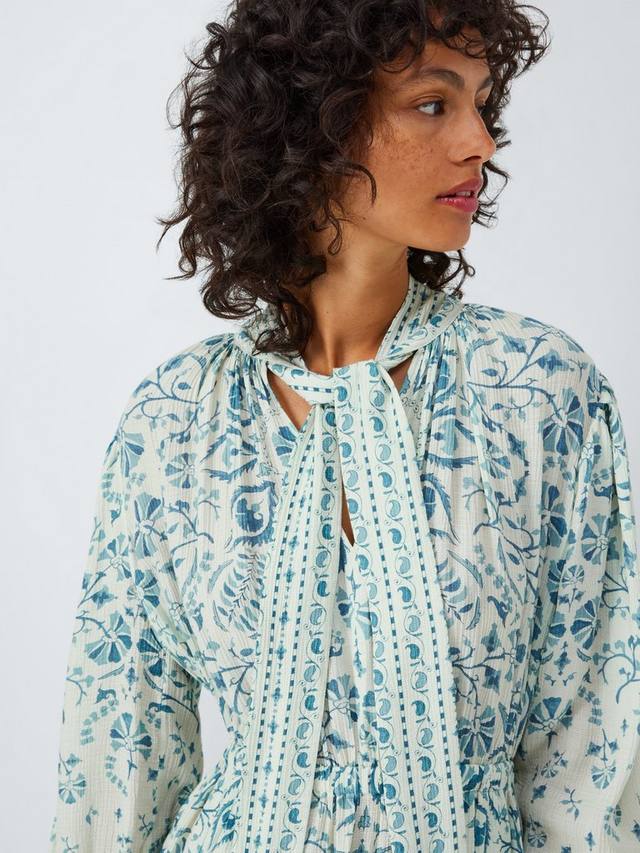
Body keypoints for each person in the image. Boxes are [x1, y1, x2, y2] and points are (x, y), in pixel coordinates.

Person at [49, 1, 639, 851]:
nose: (480, 142)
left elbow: (590, 763)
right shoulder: (175, 418)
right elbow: (118, 763)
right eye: (433, 103)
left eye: (482, 104)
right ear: (313, 124)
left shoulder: (538, 392)